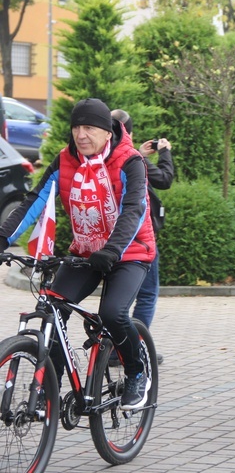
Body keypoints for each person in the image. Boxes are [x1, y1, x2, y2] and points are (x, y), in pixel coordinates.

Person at [0, 98, 155, 410]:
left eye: (89, 128)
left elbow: (135, 209)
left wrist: (112, 249)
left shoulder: (130, 161)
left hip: (130, 252)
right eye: (76, 128)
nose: (81, 135)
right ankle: (52, 381)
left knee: (113, 313)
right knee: (52, 307)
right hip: (85, 253)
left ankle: (137, 373)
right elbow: (34, 200)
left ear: (108, 132)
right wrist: (3, 237)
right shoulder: (64, 160)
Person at [112, 109, 174, 366]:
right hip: (137, 237)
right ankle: (133, 348)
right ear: (129, 131)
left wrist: (140, 152)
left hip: (108, 237)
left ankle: (113, 348)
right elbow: (164, 179)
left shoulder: (104, 155)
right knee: (146, 293)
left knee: (117, 299)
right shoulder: (132, 159)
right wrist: (165, 152)